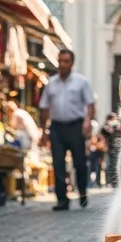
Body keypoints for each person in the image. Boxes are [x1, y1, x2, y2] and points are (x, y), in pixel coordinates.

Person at [38, 49, 95, 211]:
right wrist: (43, 131)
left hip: (75, 127)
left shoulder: (81, 82)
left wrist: (87, 122)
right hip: (56, 128)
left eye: (66, 61)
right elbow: (44, 107)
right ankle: (62, 200)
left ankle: (83, 193)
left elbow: (90, 104)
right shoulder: (51, 83)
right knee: (58, 164)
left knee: (79, 163)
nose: (62, 64)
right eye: (60, 61)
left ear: (71, 63)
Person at [100, 112, 121, 187]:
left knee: (116, 164)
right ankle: (110, 182)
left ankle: (116, 182)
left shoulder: (118, 125)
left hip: (118, 147)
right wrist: (109, 126)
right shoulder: (105, 127)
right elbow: (103, 133)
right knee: (109, 165)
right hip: (110, 148)